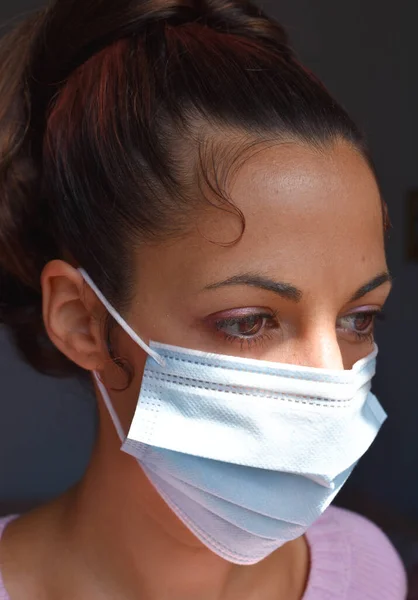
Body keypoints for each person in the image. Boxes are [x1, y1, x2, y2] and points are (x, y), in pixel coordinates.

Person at [0, 0, 407, 598]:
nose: (331, 384)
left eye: (359, 318)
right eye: (249, 322)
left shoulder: (368, 567)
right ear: (82, 321)